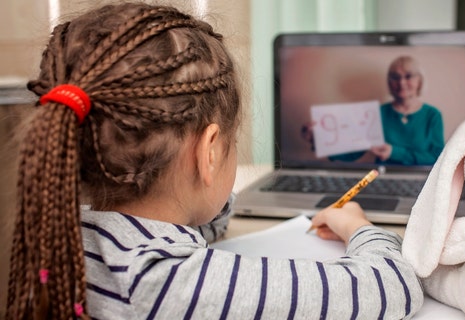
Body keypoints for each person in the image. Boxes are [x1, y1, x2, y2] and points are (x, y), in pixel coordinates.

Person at [6, 3, 423, 319]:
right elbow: (394, 285)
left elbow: (207, 223)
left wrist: (200, 195)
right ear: (208, 152)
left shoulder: (61, 233)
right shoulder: (177, 284)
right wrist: (358, 226)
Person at [306, 55, 445, 166]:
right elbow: (354, 152)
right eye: (395, 77)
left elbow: (437, 158)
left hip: (423, 180)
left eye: (408, 76)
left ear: (420, 81)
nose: (401, 82)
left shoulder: (432, 115)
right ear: (389, 82)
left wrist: (394, 152)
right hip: (382, 178)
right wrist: (319, 140)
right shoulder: (376, 114)